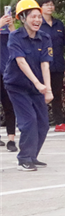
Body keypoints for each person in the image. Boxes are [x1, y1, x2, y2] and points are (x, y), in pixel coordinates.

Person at [4, 0, 52, 171]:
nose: (37, 20)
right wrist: (38, 83)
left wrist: (48, 89)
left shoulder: (45, 37)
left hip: (36, 87)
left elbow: (45, 65)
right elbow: (21, 62)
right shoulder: (15, 37)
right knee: (29, 121)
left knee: (43, 123)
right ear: (23, 18)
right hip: (17, 85)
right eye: (33, 17)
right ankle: (24, 158)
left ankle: (32, 156)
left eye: (39, 17)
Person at [38, 0, 65, 132]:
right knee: (41, 94)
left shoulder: (59, 24)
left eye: (51, 5)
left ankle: (59, 123)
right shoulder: (38, 24)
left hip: (58, 64)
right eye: (46, 5)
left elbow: (63, 43)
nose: (50, 7)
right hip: (42, 65)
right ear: (40, 8)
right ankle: (39, 121)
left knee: (57, 94)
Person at [0, 11, 18, 152]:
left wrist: (11, 26)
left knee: (9, 105)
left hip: (6, 70)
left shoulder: (6, 27)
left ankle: (11, 139)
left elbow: (17, 42)